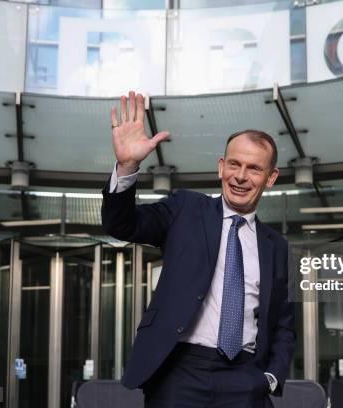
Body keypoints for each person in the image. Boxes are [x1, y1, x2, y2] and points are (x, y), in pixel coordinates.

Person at [101, 91, 295, 408]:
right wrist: (127, 166)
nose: (241, 176)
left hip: (244, 377)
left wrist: (270, 377)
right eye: (234, 164)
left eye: (254, 168)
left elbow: (285, 326)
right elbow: (121, 226)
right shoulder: (186, 208)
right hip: (179, 372)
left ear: (270, 177)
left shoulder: (277, 246)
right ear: (221, 167)